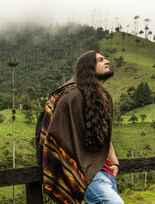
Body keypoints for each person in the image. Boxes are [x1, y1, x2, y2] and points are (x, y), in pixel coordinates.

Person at [42, 50, 124, 204]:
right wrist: (77, 171)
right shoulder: (72, 97)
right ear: (88, 68)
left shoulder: (105, 97)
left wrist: (114, 163)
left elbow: (105, 136)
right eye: (100, 60)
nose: (107, 61)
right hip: (87, 175)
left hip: (106, 172)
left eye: (105, 58)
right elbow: (58, 136)